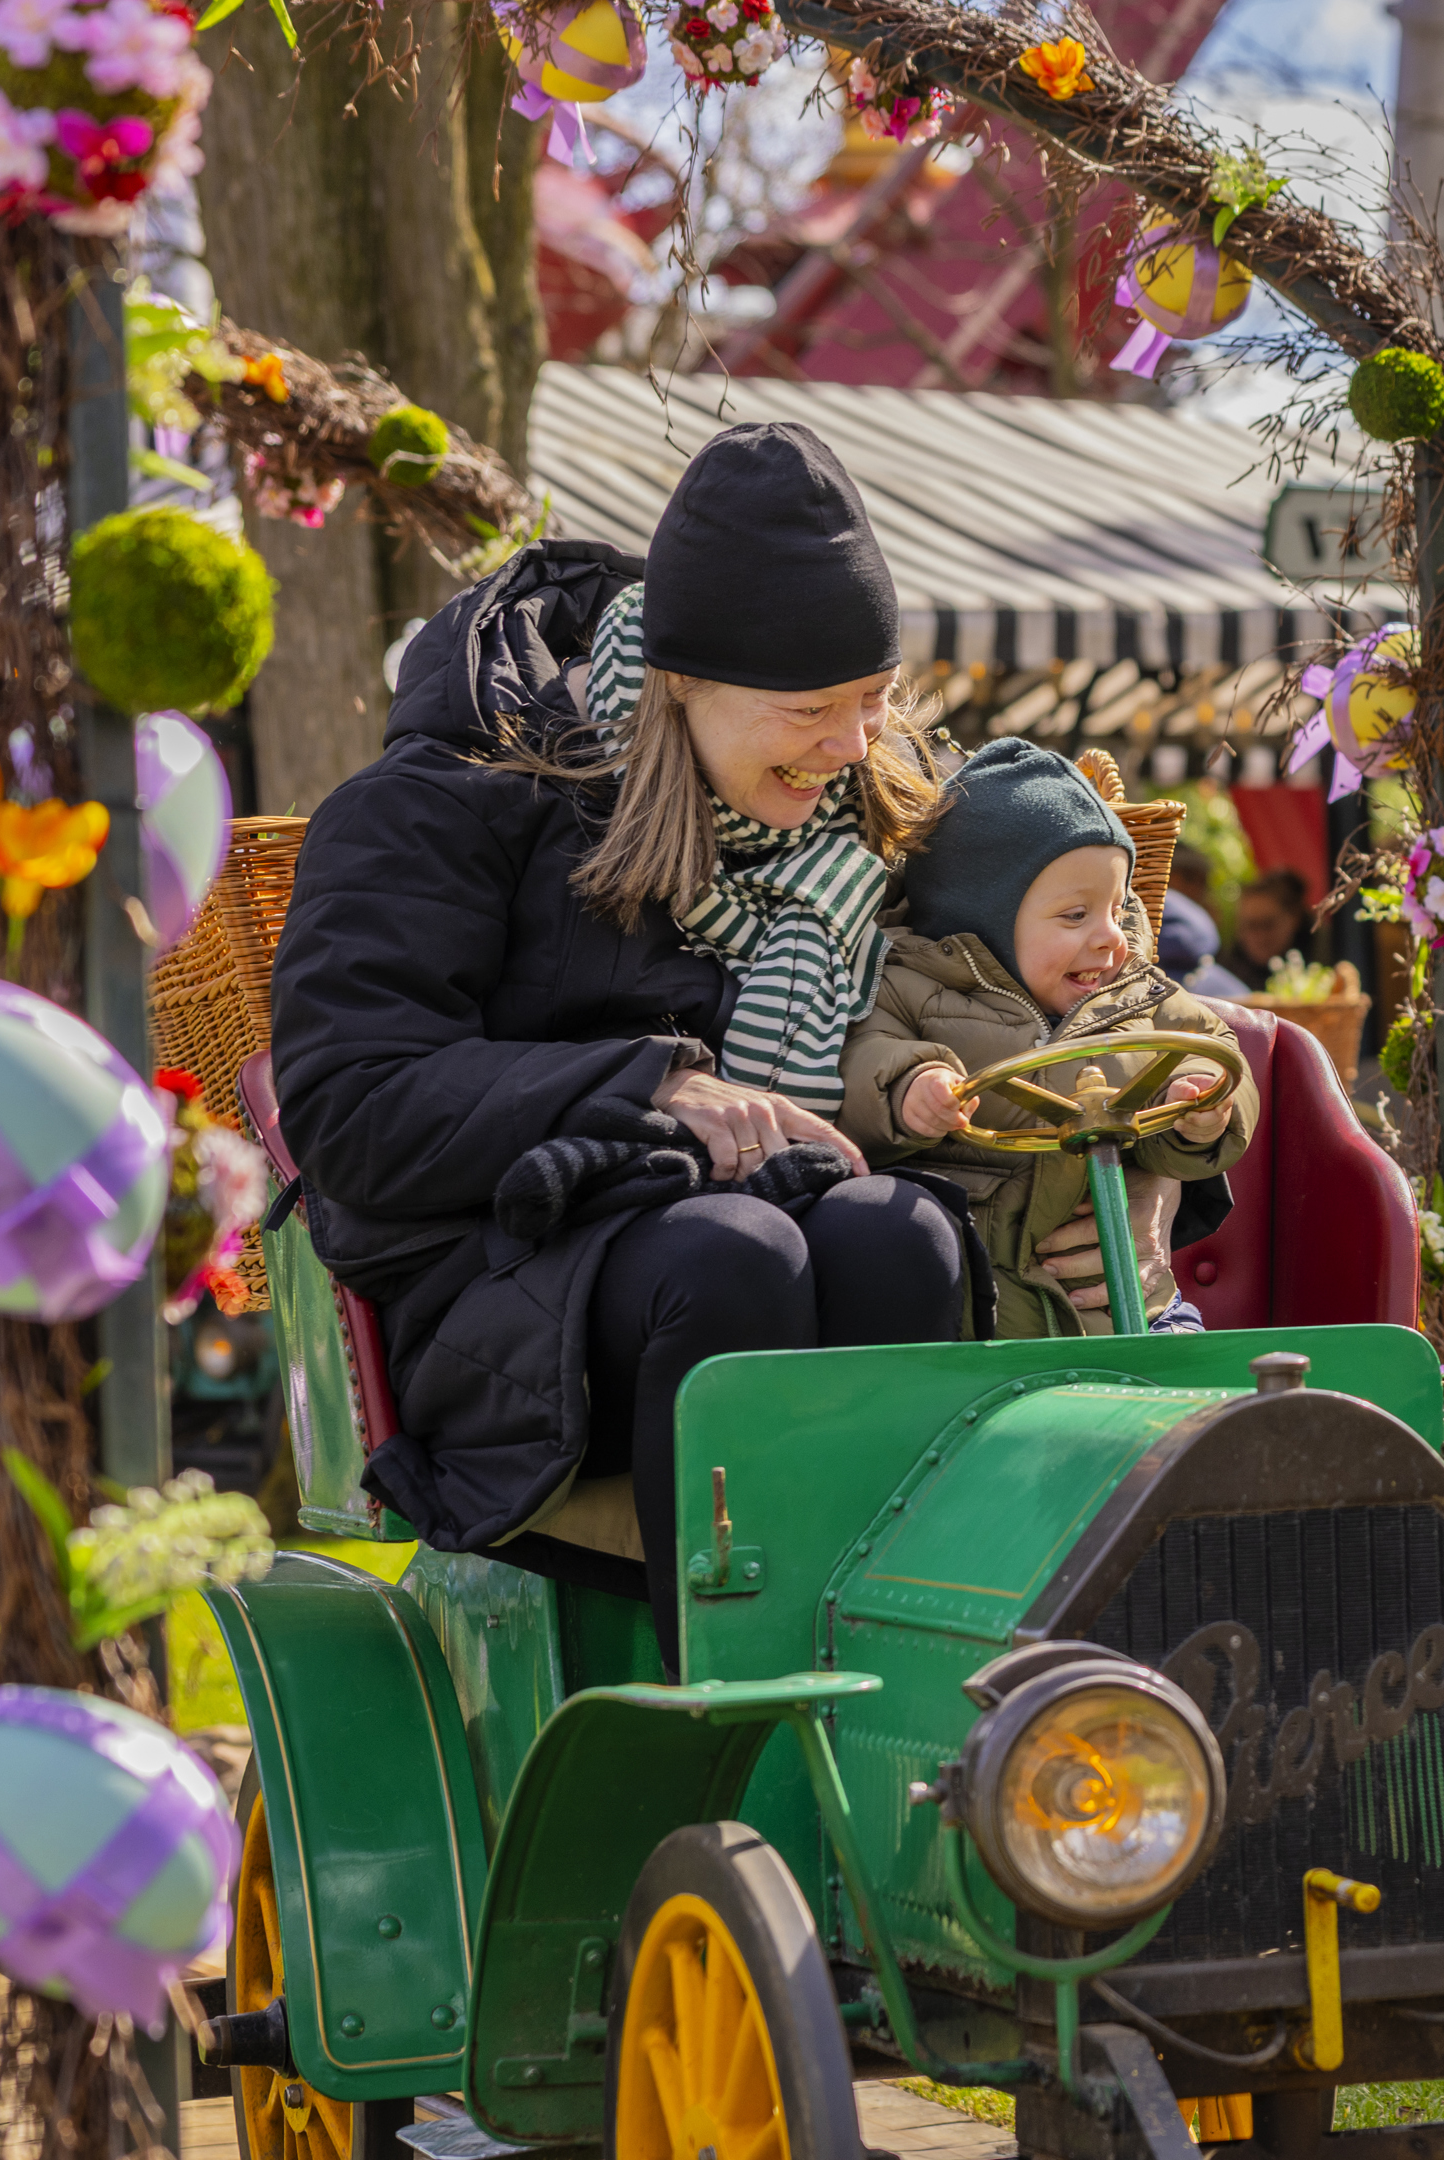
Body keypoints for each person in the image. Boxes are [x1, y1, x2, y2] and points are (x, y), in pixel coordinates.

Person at [267, 421, 1195, 1651]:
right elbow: (349, 1108)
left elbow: (1088, 985)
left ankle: (892, 1682)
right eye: (813, 709)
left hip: (767, 1227)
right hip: (500, 1276)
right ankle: (724, 1715)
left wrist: (1148, 1187)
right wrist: (657, 1086)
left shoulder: (861, 812)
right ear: (679, 680)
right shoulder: (437, 808)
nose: (854, 746)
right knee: (732, 1257)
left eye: (872, 702)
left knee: (901, 1231)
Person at [840, 742, 1259, 1337]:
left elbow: (1216, 1051)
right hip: (984, 1319)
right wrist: (909, 1088)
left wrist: (1203, 1112)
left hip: (1133, 1312)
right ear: (981, 916)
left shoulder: (1142, 997)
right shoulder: (910, 987)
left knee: (1205, 1410)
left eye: (1118, 909)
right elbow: (863, 1056)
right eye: (1075, 916)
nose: (1109, 937)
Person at [1228, 868, 1309, 989]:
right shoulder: (1228, 972)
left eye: (1268, 925)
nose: (1260, 936)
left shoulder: (1321, 961)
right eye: (1251, 925)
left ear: (1294, 919)